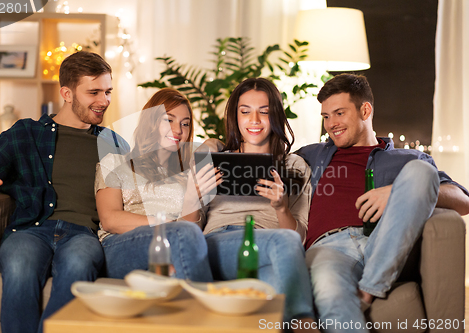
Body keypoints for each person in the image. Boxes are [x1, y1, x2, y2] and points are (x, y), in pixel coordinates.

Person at [295, 73, 469, 333]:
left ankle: (369, 287)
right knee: (330, 288)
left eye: (339, 113)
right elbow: (266, 156)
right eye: (326, 117)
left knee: (422, 172)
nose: (331, 124)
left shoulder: (407, 157)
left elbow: (463, 201)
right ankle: (367, 292)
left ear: (365, 110)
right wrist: (214, 145)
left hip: (386, 240)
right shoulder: (314, 153)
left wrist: (396, 191)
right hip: (331, 249)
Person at [0, 51, 128, 333]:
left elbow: (142, 190)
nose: (104, 101)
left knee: (78, 265)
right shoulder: (26, 133)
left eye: (108, 91)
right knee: (18, 264)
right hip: (31, 230)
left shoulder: (113, 142)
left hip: (84, 234)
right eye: (94, 92)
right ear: (67, 93)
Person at [201, 78, 319, 332]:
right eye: (245, 112)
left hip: (270, 249)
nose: (254, 120)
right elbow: (187, 230)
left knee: (275, 283)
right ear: (235, 116)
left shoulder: (294, 166)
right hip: (221, 243)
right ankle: (305, 325)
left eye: (264, 112)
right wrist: (194, 192)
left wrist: (281, 208)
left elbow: (298, 237)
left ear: (275, 116)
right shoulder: (213, 158)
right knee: (283, 246)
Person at [95, 88, 217, 281]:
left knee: (185, 240)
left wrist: (192, 196)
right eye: (169, 120)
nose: (178, 130)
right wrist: (167, 225)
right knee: (182, 236)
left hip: (175, 243)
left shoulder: (187, 174)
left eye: (185, 124)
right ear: (150, 122)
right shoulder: (115, 163)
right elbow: (110, 219)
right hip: (121, 246)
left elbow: (193, 230)